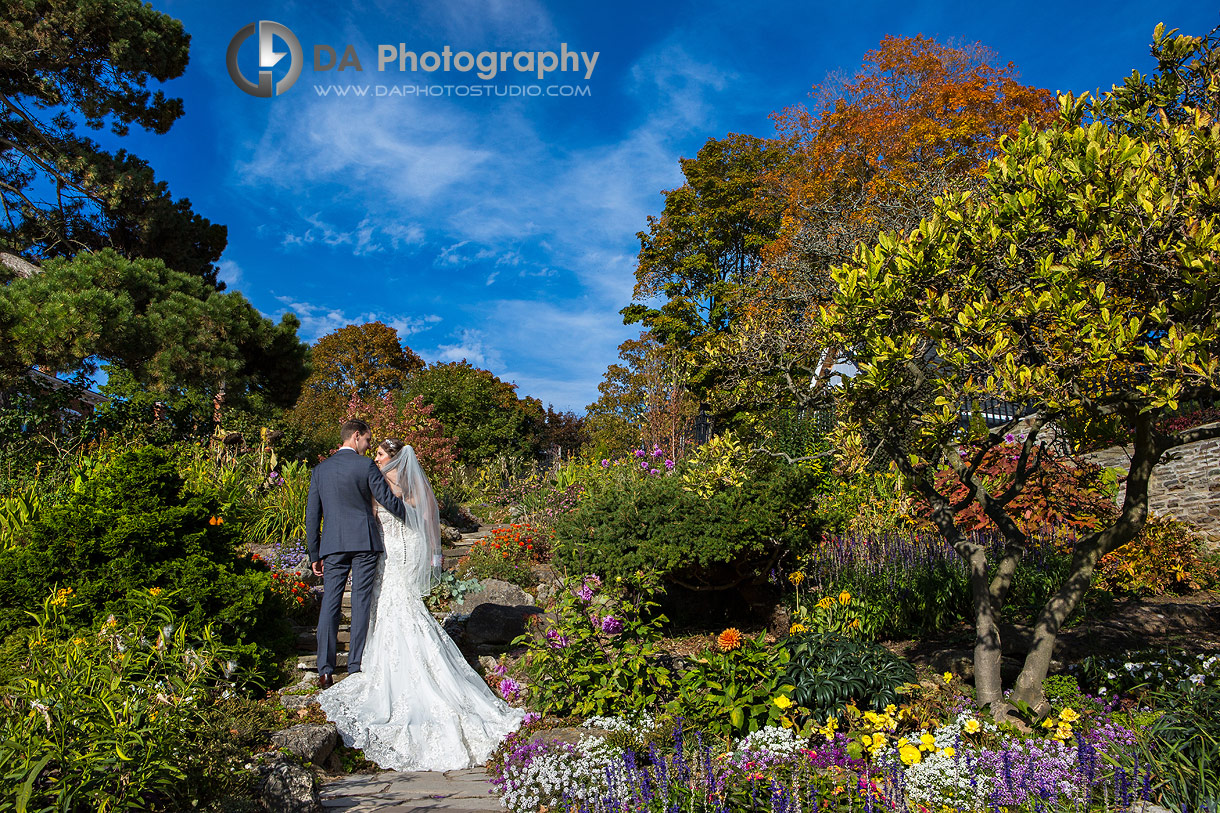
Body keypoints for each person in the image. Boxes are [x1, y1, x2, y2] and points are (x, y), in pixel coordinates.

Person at [317, 438, 524, 770]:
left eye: (381, 453)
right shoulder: (404, 483)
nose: (376, 457)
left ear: (394, 458)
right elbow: (421, 517)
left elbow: (390, 516)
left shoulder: (380, 481)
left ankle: (376, 667)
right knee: (397, 605)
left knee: (391, 605)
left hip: (392, 552)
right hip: (399, 549)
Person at [306, 419, 409, 690]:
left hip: (332, 545)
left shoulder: (320, 470)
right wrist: (411, 517)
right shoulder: (364, 466)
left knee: (330, 603)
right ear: (355, 436)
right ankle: (355, 666)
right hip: (364, 541)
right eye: (366, 440)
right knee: (361, 602)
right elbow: (386, 499)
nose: (367, 446)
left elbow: (312, 515)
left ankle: (325, 670)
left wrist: (314, 552)